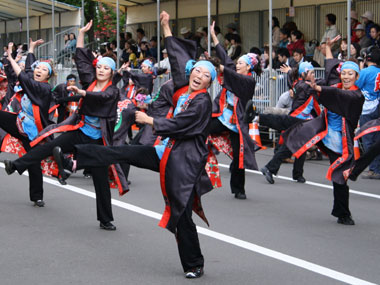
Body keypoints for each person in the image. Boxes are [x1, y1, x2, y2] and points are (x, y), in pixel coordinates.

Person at [54, 10, 217, 279]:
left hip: (184, 162)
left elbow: (180, 125)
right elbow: (178, 61)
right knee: (122, 151)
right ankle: (75, 161)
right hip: (164, 152)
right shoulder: (182, 90)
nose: (199, 75)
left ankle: (194, 264)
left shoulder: (202, 102)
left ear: (210, 83)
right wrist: (165, 27)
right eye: (196, 71)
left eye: (206, 75)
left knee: (182, 214)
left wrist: (150, 120)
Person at [5, 20, 126, 230]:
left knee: (100, 180)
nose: (102, 70)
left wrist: (84, 94)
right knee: (46, 146)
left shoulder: (112, 90)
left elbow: (104, 97)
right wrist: (80, 34)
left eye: (107, 68)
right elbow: (81, 59)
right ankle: (16, 165)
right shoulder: (89, 79)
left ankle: (105, 219)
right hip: (79, 131)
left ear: (112, 72)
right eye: (100, 67)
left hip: (98, 140)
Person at [281, 37, 364, 225]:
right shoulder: (336, 83)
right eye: (344, 73)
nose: (346, 77)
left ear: (357, 77)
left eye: (351, 74)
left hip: (341, 141)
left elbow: (338, 94)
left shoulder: (356, 95)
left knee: (340, 176)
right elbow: (330, 67)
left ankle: (342, 213)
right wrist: (327, 48)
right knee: (289, 125)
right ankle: (258, 118)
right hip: (322, 130)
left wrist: (319, 88)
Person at [208, 21, 260, 199]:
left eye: (241, 63)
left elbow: (229, 72)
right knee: (198, 128)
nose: (237, 65)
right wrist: (214, 36)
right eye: (237, 62)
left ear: (249, 68)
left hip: (238, 122)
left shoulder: (249, 81)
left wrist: (219, 66)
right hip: (223, 116)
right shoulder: (233, 71)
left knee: (239, 158)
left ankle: (239, 189)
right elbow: (223, 55)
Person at [0, 39, 52, 207]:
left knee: (33, 161)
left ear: (48, 76)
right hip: (19, 121)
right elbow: (28, 69)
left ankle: (37, 196)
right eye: (39, 67)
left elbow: (23, 75)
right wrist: (31, 49)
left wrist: (11, 58)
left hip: (33, 131)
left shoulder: (43, 89)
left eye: (44, 70)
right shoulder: (32, 79)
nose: (39, 71)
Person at [257, 62, 321, 184]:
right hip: (299, 118)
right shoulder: (305, 86)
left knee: (301, 145)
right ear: (303, 74)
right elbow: (321, 85)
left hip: (304, 119)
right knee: (290, 145)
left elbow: (292, 82)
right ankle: (270, 168)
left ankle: (297, 174)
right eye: (311, 73)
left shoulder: (300, 84)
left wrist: (290, 72)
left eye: (314, 72)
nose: (314, 75)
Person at [356, 47, 380, 179]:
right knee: (377, 139)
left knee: (368, 139)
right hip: (378, 106)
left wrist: (360, 69)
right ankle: (377, 167)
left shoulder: (365, 72)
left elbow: (356, 85)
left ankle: (374, 168)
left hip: (367, 108)